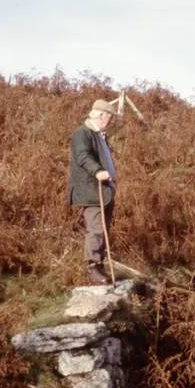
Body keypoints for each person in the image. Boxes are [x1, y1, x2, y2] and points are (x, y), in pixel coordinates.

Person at [67, 98, 120, 284]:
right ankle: (92, 269)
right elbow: (82, 156)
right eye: (109, 117)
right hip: (91, 191)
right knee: (97, 229)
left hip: (104, 191)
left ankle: (99, 267)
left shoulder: (98, 135)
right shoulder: (82, 134)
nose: (110, 121)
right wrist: (97, 171)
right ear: (100, 115)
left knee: (103, 229)